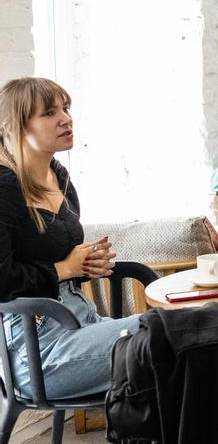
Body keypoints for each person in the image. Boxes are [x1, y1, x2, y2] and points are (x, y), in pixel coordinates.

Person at [0, 77, 139, 399]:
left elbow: (51, 251)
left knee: (193, 333)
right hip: (36, 347)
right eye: (49, 113)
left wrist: (87, 262)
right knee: (170, 332)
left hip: (81, 318)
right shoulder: (4, 185)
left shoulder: (58, 174)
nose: (66, 118)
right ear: (13, 126)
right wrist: (65, 268)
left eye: (66, 108)